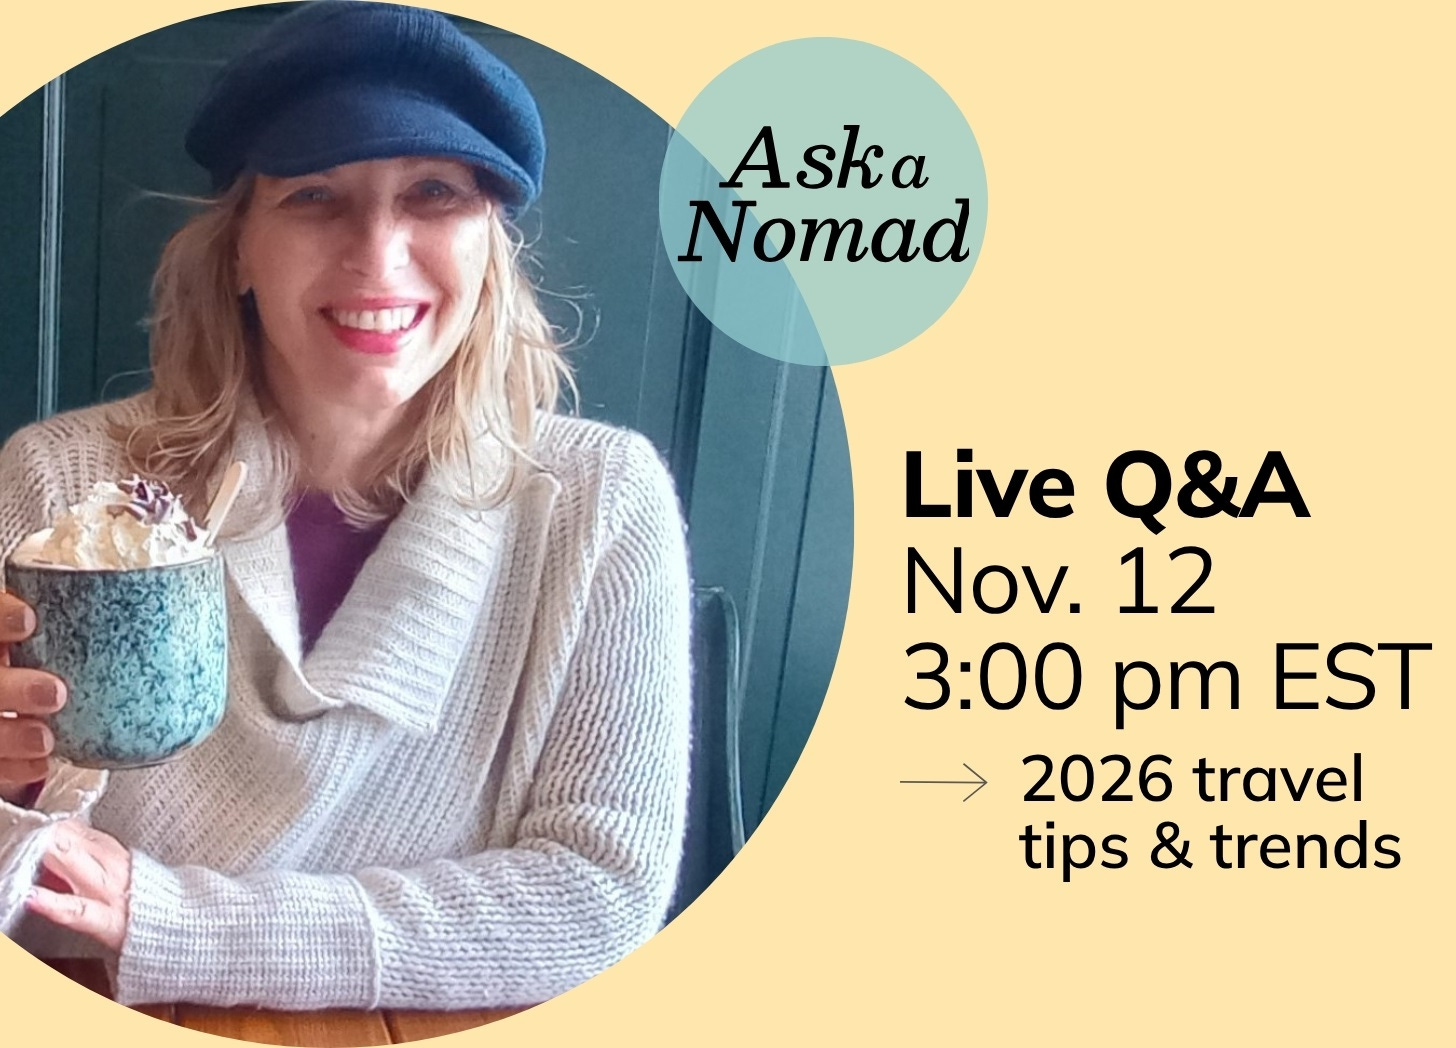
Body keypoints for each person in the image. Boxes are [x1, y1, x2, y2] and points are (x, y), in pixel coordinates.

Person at [0, 1, 691, 1009]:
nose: (378, 252)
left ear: (491, 240)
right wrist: (11, 797)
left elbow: (600, 895)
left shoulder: (597, 502)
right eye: (316, 194)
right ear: (239, 248)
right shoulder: (56, 485)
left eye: (434, 192)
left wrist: (181, 924)